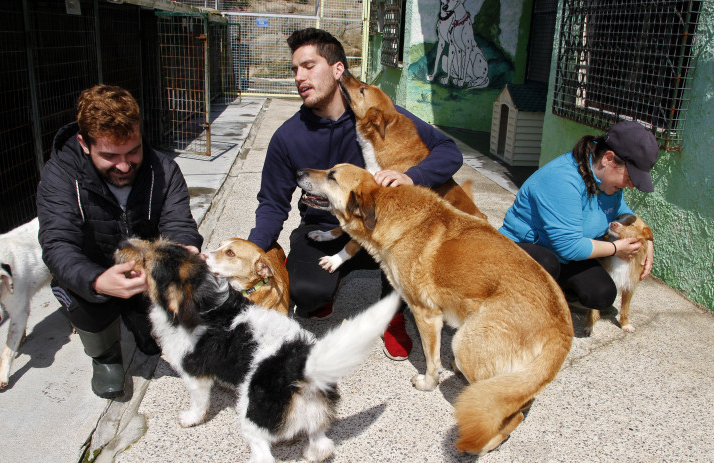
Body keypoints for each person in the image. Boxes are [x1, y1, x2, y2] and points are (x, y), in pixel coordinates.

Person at [247, 28, 464, 361]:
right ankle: (327, 289)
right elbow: (272, 204)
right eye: (294, 70)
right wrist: (253, 249)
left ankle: (391, 315)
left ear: (337, 71)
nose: (299, 77)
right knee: (307, 294)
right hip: (324, 227)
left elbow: (449, 151)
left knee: (408, 246)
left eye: (308, 66)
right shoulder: (287, 136)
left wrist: (410, 175)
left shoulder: (374, 117)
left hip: (378, 227)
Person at [37, 84, 203, 399]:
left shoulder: (163, 170)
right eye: (110, 156)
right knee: (82, 296)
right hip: (94, 269)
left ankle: (142, 324)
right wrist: (97, 280)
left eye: (133, 151)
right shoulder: (60, 176)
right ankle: (106, 356)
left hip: (145, 273)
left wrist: (184, 249)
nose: (124, 166)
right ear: (84, 144)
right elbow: (57, 244)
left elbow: (178, 222)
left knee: (169, 305)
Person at [498, 120, 657, 312]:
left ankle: (554, 290)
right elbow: (569, 246)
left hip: (565, 256)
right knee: (547, 264)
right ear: (608, 158)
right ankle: (514, 295)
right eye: (630, 178)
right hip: (526, 247)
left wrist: (648, 240)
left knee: (602, 294)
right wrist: (615, 248)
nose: (630, 186)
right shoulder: (563, 179)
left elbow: (623, 211)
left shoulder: (608, 182)